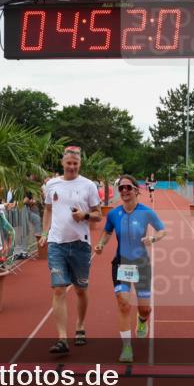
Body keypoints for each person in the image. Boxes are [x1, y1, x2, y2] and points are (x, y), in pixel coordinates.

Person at [94, 174, 166, 363]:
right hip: (121, 264)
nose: (124, 191)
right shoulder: (113, 214)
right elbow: (107, 231)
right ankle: (126, 348)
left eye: (127, 187)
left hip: (141, 264)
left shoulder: (146, 212)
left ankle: (142, 321)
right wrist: (101, 244)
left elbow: (162, 230)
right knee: (123, 304)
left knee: (145, 309)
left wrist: (153, 238)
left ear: (136, 190)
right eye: (121, 188)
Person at [38, 146, 102, 355]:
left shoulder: (88, 185)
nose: (72, 167)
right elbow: (48, 210)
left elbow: (98, 215)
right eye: (69, 163)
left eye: (75, 164)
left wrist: (84, 215)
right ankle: (62, 338)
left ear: (79, 164)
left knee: (81, 289)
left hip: (80, 245)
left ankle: (80, 326)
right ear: (62, 163)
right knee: (58, 289)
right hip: (57, 244)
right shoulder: (52, 184)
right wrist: (45, 233)